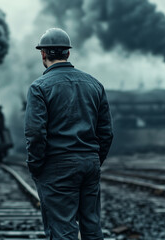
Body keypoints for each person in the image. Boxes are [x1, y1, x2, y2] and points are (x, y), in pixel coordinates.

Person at [24, 28, 114, 240]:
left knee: (62, 228)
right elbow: (106, 133)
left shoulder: (39, 88)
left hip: (57, 165)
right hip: (89, 163)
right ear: (68, 53)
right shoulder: (95, 84)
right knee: (91, 225)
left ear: (43, 54)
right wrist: (93, 159)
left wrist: (36, 166)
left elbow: (36, 133)